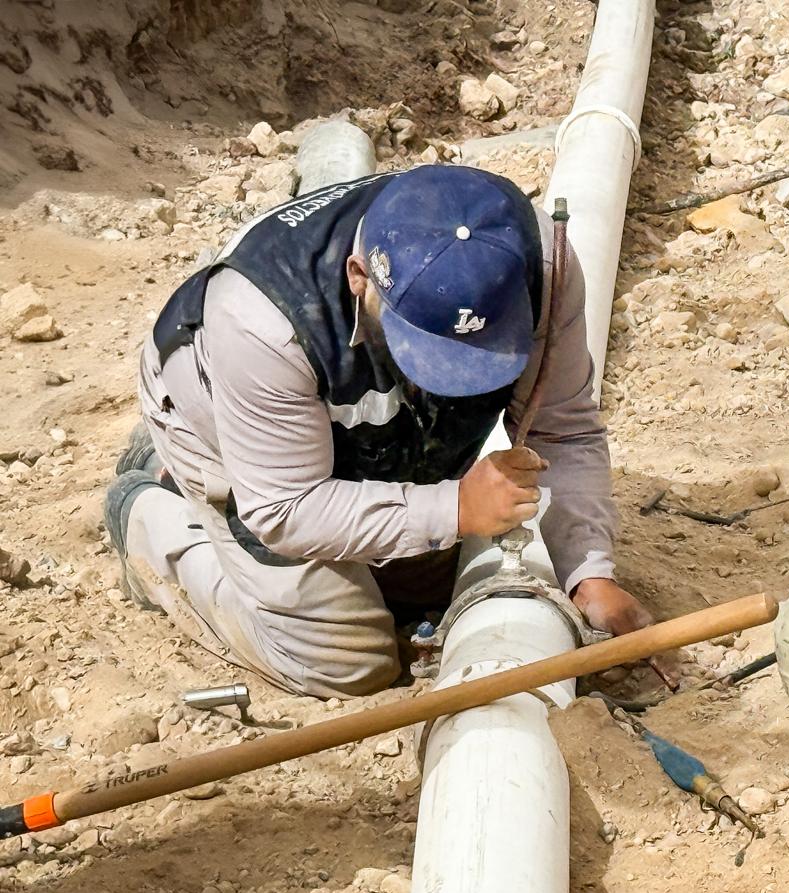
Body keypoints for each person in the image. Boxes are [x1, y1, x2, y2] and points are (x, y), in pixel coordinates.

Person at [104, 164, 651, 698]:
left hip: (369, 432)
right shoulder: (263, 323)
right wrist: (455, 507)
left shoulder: (534, 265)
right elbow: (286, 509)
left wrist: (588, 574)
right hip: (227, 430)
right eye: (429, 349)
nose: (456, 375)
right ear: (359, 276)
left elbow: (565, 427)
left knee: (426, 586)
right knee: (344, 658)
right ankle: (150, 513)